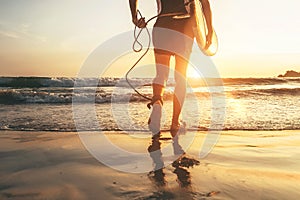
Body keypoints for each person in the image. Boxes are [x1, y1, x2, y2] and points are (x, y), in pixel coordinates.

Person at [129, 0, 213, 139]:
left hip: (163, 25)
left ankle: (157, 103)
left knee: (161, 74)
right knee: (181, 77)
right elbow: (205, 4)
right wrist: (209, 29)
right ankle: (175, 123)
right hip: (185, 28)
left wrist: (135, 17)